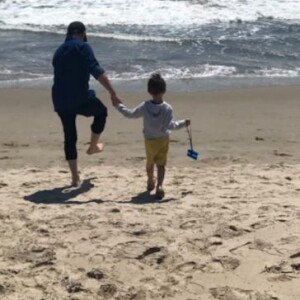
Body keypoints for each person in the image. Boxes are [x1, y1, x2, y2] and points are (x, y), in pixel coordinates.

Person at [52, 21, 120, 187]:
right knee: (101, 112)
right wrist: (113, 93)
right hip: (80, 98)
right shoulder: (83, 47)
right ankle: (93, 146)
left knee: (70, 136)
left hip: (60, 99)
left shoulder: (59, 51)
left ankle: (75, 177)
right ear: (82, 33)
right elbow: (97, 72)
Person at [112, 73, 190, 199]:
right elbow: (170, 126)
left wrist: (118, 105)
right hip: (163, 139)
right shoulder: (167, 108)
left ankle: (150, 181)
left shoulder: (145, 106)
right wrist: (183, 123)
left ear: (149, 91)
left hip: (149, 141)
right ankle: (159, 185)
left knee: (150, 163)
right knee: (161, 165)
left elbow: (130, 114)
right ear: (164, 90)